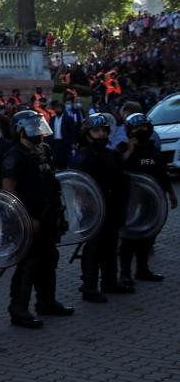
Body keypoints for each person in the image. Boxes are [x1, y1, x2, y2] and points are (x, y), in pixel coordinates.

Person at [1, 110, 71, 328]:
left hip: (49, 216)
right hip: (29, 219)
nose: (39, 132)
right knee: (29, 263)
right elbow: (9, 191)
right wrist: (25, 219)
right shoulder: (14, 156)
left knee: (49, 258)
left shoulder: (44, 150)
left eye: (39, 127)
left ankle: (46, 302)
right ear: (20, 130)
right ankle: (19, 309)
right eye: (33, 128)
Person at [70, 114, 132, 301]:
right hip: (94, 210)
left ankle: (109, 282)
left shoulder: (111, 154)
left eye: (104, 130)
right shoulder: (84, 156)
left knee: (111, 245)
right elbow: (79, 185)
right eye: (96, 131)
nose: (101, 134)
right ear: (87, 134)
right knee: (94, 248)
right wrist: (89, 208)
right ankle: (89, 287)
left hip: (112, 207)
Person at [117, 113, 177, 283]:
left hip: (150, 200)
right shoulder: (122, 148)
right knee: (128, 239)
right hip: (130, 202)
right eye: (137, 129)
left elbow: (161, 173)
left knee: (147, 236)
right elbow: (117, 167)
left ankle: (143, 270)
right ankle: (125, 273)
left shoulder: (152, 148)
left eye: (144, 128)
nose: (141, 131)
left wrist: (171, 193)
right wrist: (130, 149)